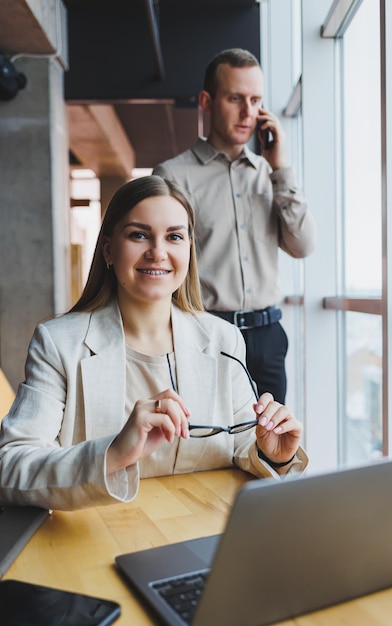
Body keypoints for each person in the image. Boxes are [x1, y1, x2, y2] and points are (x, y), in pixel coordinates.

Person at [0, 175, 307, 512]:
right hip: (96, 542)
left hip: (202, 532)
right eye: (139, 235)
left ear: (189, 250)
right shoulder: (59, 343)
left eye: (174, 236)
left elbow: (242, 442)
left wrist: (271, 453)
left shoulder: (224, 339)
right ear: (108, 250)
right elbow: (11, 465)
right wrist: (114, 453)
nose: (157, 252)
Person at [154, 48, 316, 404]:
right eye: (235, 99)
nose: (248, 113)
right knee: (213, 447)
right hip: (207, 336)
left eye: (256, 100)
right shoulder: (172, 177)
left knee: (272, 449)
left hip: (269, 338)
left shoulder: (270, 175)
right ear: (207, 102)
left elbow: (302, 246)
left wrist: (281, 168)